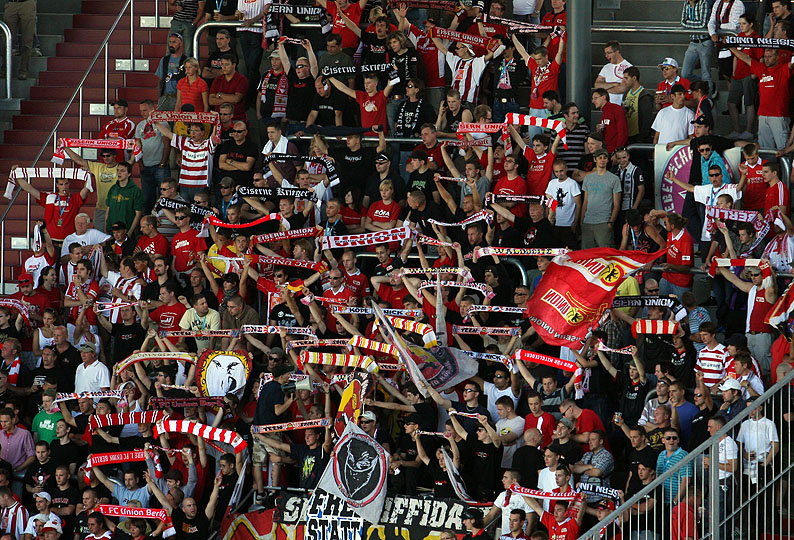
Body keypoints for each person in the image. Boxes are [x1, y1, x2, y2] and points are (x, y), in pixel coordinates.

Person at [580, 148, 621, 249]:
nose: (602, 160)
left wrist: (611, 222)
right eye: (600, 158)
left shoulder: (614, 179)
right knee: (587, 254)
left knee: (605, 253)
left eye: (605, 158)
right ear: (595, 159)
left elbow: (616, 204)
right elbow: (585, 202)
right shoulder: (588, 178)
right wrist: (581, 221)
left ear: (608, 160)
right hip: (588, 222)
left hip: (604, 221)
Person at [594, 40, 632, 105]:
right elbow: (597, 85)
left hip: (621, 106)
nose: (606, 56)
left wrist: (605, 91)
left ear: (617, 52)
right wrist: (614, 84)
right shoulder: (606, 67)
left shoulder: (628, 67)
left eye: (609, 53)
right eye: (605, 53)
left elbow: (623, 88)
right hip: (607, 106)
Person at [591, 88, 628, 152]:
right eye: (592, 99)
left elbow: (623, 132)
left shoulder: (616, 109)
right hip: (607, 150)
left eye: (595, 98)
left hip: (616, 151)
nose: (593, 101)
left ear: (604, 97)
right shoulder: (604, 113)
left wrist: (618, 150)